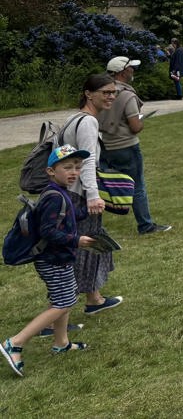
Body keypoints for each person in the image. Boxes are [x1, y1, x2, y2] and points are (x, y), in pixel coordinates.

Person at [3, 144, 97, 375]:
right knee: (63, 302)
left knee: (65, 297)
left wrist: (91, 209)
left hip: (60, 258)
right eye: (67, 167)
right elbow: (48, 231)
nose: (73, 171)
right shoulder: (54, 197)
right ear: (51, 171)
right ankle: (15, 342)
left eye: (77, 166)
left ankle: (61, 343)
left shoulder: (59, 192)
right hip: (52, 259)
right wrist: (76, 240)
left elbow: (69, 216)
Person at [59, 74, 124, 317]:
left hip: (71, 193)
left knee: (90, 246)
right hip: (81, 196)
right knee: (82, 248)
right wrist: (94, 195)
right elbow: (87, 162)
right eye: (105, 92)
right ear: (89, 93)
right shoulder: (87, 122)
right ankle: (55, 311)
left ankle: (94, 298)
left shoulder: (72, 119)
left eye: (113, 92)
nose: (111, 97)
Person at [98, 57, 171, 236]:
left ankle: (95, 226)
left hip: (104, 145)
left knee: (101, 186)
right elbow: (135, 127)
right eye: (131, 68)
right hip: (125, 146)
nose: (133, 71)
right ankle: (145, 225)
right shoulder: (127, 95)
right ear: (123, 72)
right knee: (137, 185)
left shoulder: (100, 92)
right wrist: (141, 120)